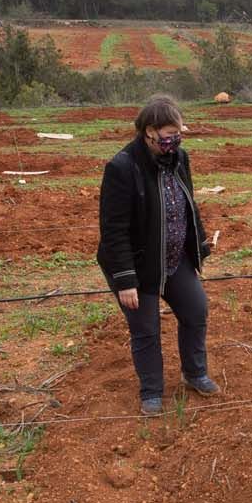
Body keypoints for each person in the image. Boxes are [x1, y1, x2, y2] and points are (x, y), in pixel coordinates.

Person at [97, 94, 219, 415]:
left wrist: (199, 250)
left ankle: (194, 373)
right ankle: (151, 390)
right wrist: (125, 280)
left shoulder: (181, 159)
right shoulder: (122, 168)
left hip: (175, 259)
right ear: (148, 132)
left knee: (196, 310)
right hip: (137, 266)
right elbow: (113, 231)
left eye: (177, 134)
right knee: (146, 328)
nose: (173, 141)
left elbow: (188, 207)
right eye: (166, 136)